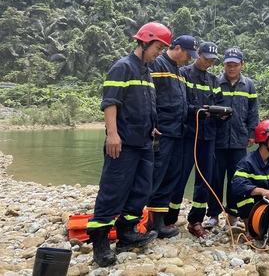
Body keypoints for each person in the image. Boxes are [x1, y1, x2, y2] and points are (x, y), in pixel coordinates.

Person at [86, 22, 171, 267]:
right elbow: (110, 102)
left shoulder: (146, 71)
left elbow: (145, 105)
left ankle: (127, 232)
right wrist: (112, 134)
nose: (159, 52)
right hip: (122, 143)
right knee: (113, 190)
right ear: (144, 43)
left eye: (162, 48)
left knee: (142, 188)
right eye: (157, 47)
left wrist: (152, 126)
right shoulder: (122, 67)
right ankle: (100, 244)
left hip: (144, 141)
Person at [167, 41, 226, 239]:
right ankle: (169, 218)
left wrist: (222, 114)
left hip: (208, 136)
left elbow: (219, 103)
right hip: (187, 135)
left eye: (212, 60)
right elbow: (180, 103)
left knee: (204, 180)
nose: (209, 63)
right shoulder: (183, 74)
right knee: (179, 176)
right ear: (198, 54)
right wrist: (198, 111)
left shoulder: (213, 80)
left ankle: (196, 221)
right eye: (206, 58)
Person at [144, 35, 198, 239]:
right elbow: (149, 97)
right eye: (187, 54)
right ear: (177, 48)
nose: (189, 59)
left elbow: (181, 103)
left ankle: (159, 222)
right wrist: (152, 124)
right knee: (156, 174)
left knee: (170, 176)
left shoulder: (179, 72)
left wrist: (198, 110)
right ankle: (143, 220)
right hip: (162, 132)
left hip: (178, 132)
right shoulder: (157, 64)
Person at [203, 47, 259, 229]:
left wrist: (252, 133)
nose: (231, 68)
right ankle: (213, 215)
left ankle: (233, 216)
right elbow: (208, 108)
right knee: (215, 179)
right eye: (228, 65)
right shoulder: (215, 82)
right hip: (217, 140)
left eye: (235, 65)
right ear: (224, 65)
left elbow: (253, 112)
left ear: (242, 65)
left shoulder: (248, 85)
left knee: (237, 180)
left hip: (239, 140)